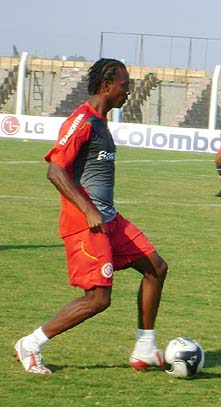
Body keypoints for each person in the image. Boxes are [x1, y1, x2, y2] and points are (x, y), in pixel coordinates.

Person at [14, 58, 168, 374]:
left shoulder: (100, 121)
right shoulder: (82, 120)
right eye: (125, 86)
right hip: (86, 225)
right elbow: (55, 170)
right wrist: (87, 210)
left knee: (156, 268)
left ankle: (145, 348)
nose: (128, 92)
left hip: (109, 220)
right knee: (98, 299)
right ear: (107, 86)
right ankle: (30, 344)